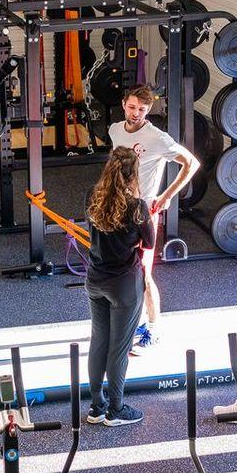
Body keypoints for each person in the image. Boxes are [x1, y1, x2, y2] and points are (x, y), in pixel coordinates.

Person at [106, 85, 200, 353]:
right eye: (132, 107)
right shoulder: (115, 130)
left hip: (143, 212)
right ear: (124, 103)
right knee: (121, 269)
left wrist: (168, 195)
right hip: (118, 209)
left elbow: (191, 164)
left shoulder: (157, 138)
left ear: (148, 111)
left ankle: (154, 328)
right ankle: (131, 323)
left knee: (143, 274)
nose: (136, 113)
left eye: (142, 110)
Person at [83, 146, 156, 428]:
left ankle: (96, 406)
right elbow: (149, 242)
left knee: (98, 341)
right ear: (133, 175)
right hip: (124, 285)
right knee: (119, 348)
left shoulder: (91, 196)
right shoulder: (137, 208)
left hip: (95, 280)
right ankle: (116, 409)